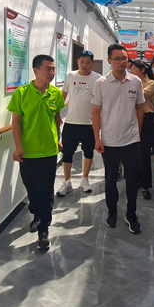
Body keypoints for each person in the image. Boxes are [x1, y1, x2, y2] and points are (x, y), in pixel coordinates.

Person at [9, 54, 66, 250]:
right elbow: (16, 122)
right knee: (31, 188)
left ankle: (44, 229)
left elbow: (57, 118)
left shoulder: (56, 93)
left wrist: (58, 139)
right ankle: (37, 213)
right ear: (36, 71)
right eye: (48, 69)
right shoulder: (21, 93)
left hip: (49, 151)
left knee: (47, 191)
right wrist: (18, 146)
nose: (52, 72)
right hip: (28, 152)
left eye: (53, 69)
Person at [92, 44, 146, 233]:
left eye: (125, 58)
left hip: (131, 140)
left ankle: (131, 214)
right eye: (117, 58)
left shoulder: (136, 82)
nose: (122, 62)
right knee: (110, 181)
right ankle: (112, 211)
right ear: (109, 60)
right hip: (109, 141)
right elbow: (96, 112)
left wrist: (138, 133)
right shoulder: (101, 83)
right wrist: (97, 138)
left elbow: (140, 108)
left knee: (132, 181)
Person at [57, 50, 101, 197]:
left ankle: (84, 179)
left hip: (89, 123)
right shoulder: (71, 76)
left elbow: (101, 101)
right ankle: (67, 181)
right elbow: (62, 97)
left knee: (88, 152)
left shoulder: (98, 78)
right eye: (81, 62)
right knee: (67, 153)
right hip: (71, 122)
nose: (84, 65)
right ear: (77, 62)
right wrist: (57, 114)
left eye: (87, 62)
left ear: (92, 64)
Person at [130, 60, 154, 200]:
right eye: (131, 69)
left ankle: (146, 185)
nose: (132, 71)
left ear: (142, 70)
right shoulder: (129, 82)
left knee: (144, 153)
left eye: (134, 69)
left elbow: (138, 95)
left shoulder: (151, 83)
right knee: (132, 152)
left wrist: (128, 91)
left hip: (147, 120)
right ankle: (136, 180)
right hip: (131, 119)